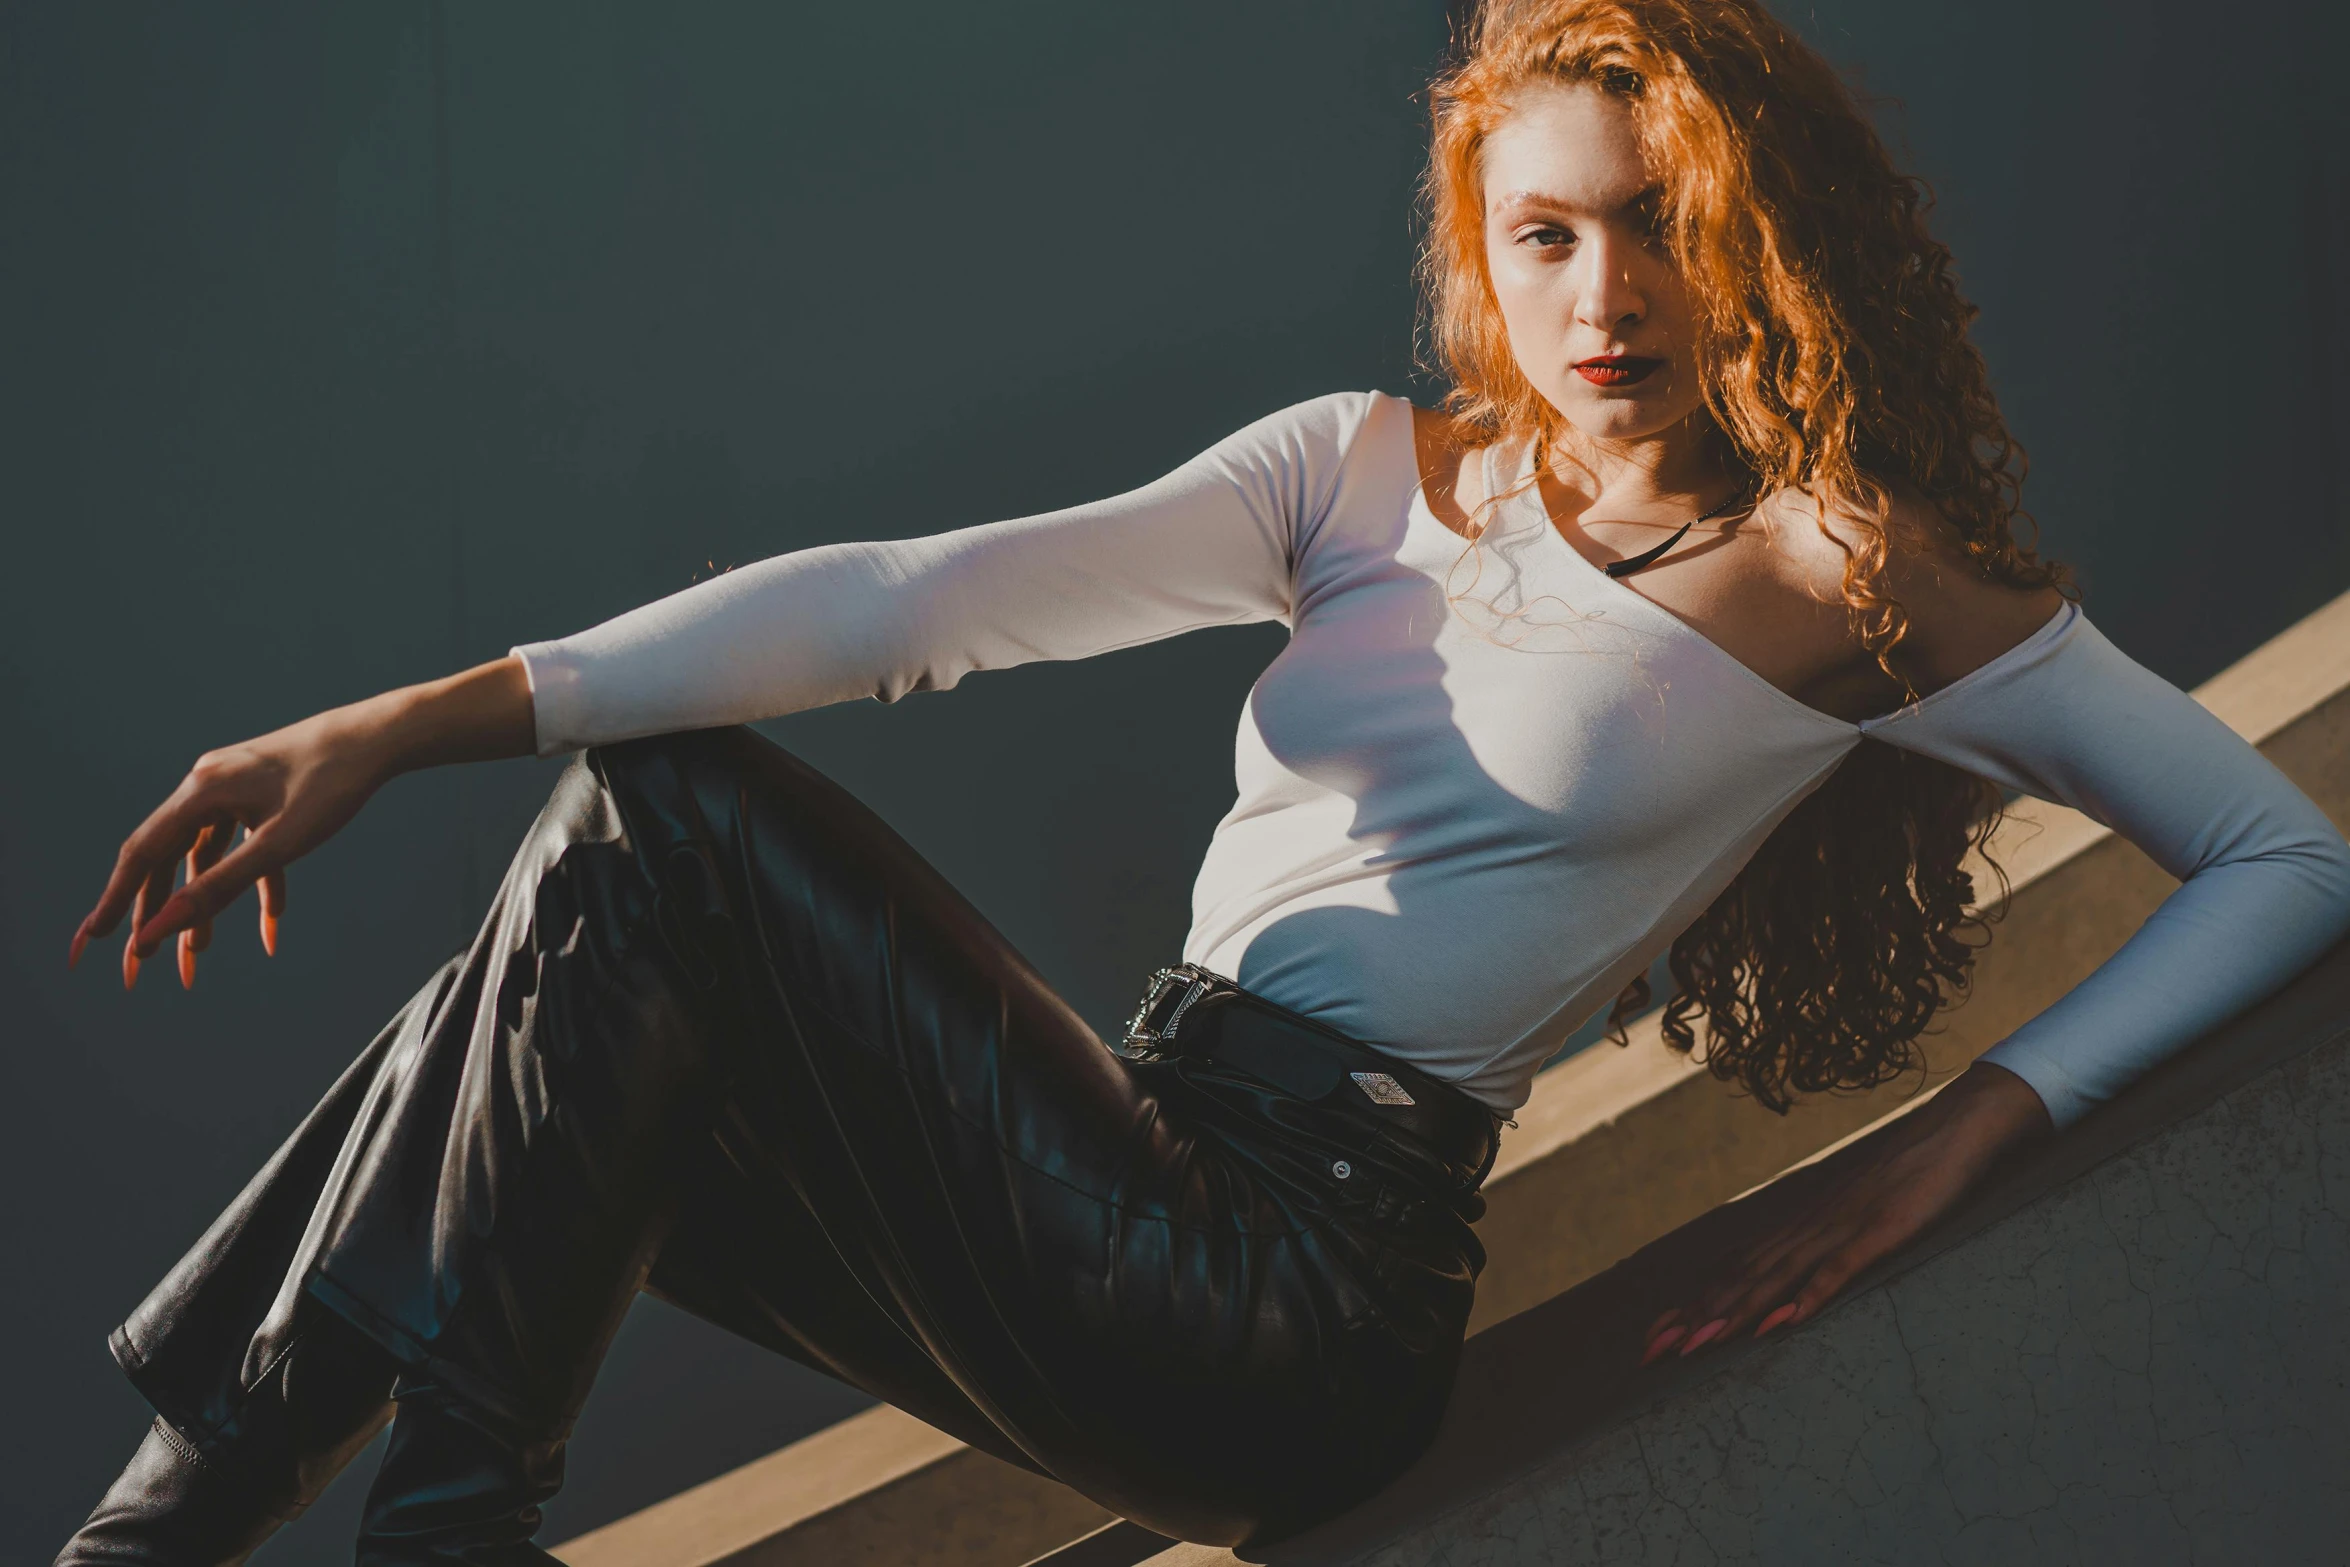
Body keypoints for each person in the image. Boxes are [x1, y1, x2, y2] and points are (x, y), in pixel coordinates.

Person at [55, 0, 2350, 1560]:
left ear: (1757, 234)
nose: (1599, 291)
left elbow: (2277, 855)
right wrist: (378, 726)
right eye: (1543, 232)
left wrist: (1961, 1136)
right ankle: (171, 1528)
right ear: (1482, 247)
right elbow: (900, 603)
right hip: (1118, 1174)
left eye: (1657, 220)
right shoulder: (1362, 471)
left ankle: (280, 1524)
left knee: (655, 838)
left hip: (1294, 1305)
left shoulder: (1844, 578)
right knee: (530, 1015)